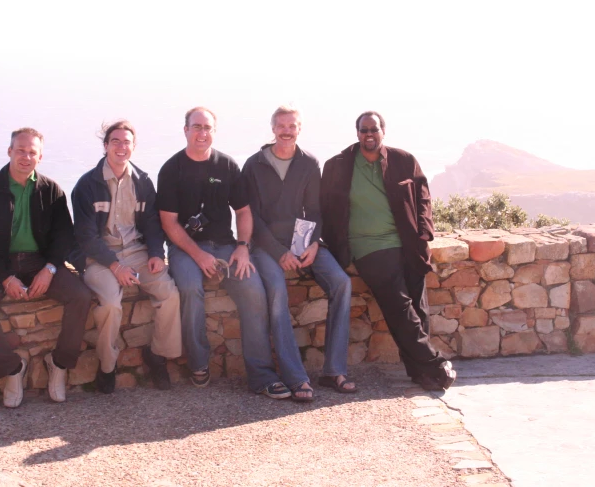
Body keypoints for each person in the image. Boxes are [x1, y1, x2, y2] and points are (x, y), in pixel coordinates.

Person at [157, 107, 306, 401]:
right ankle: (198, 363)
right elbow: (169, 223)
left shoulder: (226, 165)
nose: (202, 133)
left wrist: (242, 247)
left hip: (226, 246)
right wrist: (199, 256)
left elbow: (243, 211)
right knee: (189, 287)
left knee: (253, 288)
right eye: (196, 127)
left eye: (207, 127)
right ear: (185, 130)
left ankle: (262, 375)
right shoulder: (171, 169)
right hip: (185, 248)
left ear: (214, 131)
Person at [320, 111, 456, 391]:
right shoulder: (338, 166)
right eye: (363, 130)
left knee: (417, 308)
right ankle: (434, 363)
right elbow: (325, 207)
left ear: (383, 131)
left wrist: (424, 232)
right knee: (400, 305)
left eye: (374, 129)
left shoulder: (404, 161)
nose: (369, 134)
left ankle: (421, 374)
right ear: (357, 133)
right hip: (367, 245)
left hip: (407, 242)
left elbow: (423, 197)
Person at [0, 128, 91, 407]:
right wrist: (4, 276)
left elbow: (63, 235)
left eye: (32, 152)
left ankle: (58, 364)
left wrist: (50, 268)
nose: (26, 156)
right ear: (9, 151)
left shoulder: (51, 190)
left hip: (38, 262)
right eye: (20, 150)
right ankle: (12, 369)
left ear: (40, 157)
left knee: (81, 296)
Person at [242, 105, 354, 396]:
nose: (287, 131)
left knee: (342, 283)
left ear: (299, 129)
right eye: (281, 126)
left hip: (303, 242)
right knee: (278, 291)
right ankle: (295, 377)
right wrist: (280, 252)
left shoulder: (309, 163)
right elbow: (251, 217)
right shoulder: (254, 165)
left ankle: (334, 371)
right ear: (273, 129)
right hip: (265, 247)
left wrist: (314, 243)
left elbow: (315, 211)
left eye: (292, 126)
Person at [71, 120, 182, 393]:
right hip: (100, 258)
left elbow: (153, 224)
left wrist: (156, 253)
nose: (122, 147)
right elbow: (86, 237)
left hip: (137, 253)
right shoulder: (87, 185)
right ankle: (107, 367)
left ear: (134, 146)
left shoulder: (143, 182)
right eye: (116, 141)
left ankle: (157, 356)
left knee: (170, 294)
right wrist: (115, 265)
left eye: (127, 142)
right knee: (110, 304)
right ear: (106, 145)